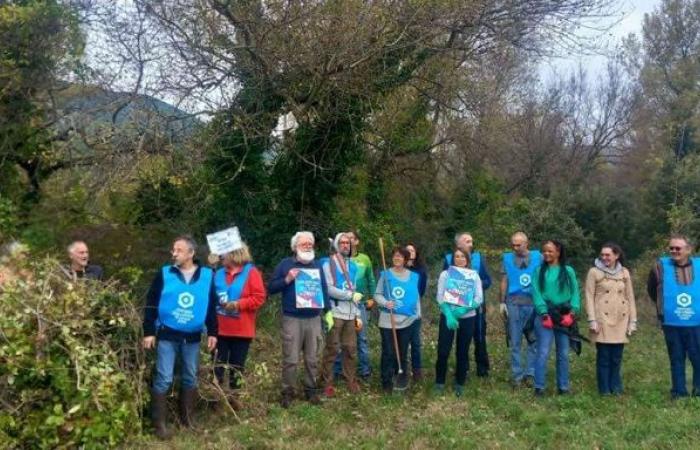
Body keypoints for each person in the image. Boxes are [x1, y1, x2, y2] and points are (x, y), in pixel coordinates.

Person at [142, 236, 218, 440]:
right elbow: (151, 302)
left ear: (191, 253)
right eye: (173, 249)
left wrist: (213, 332)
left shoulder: (207, 275)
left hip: (192, 338)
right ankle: (159, 425)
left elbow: (211, 306)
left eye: (179, 250)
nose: (174, 253)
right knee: (164, 377)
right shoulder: (165, 273)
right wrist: (148, 331)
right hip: (167, 335)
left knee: (190, 376)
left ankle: (188, 421)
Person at [268, 231, 330, 408]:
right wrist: (287, 279)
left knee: (312, 358)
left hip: (314, 318)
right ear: (295, 247)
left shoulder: (317, 266)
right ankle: (288, 392)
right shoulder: (285, 264)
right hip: (292, 318)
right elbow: (271, 287)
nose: (308, 246)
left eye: (310, 244)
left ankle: (311, 390)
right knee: (291, 358)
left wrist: (328, 312)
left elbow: (324, 289)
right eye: (304, 244)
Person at [213, 243, 266, 410]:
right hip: (219, 328)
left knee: (237, 366)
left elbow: (259, 298)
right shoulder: (218, 273)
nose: (221, 256)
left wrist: (239, 304)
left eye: (224, 253)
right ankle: (215, 398)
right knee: (217, 365)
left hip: (242, 329)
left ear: (234, 254)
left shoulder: (251, 273)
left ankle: (234, 398)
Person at [647, 234, 700, 399]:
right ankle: (679, 392)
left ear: (688, 250)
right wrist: (664, 308)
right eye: (671, 248)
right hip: (671, 322)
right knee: (676, 358)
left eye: (678, 248)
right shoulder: (659, 267)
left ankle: (698, 391)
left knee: (697, 358)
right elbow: (652, 290)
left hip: (696, 323)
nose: (674, 251)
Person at [585, 242, 637, 396]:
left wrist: (633, 320)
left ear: (616, 255)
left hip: (621, 319)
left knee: (616, 357)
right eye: (602, 254)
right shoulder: (594, 272)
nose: (604, 257)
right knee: (604, 357)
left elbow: (630, 297)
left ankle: (616, 387)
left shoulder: (625, 273)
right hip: (602, 319)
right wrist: (592, 319)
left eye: (608, 255)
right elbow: (588, 296)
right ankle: (604, 389)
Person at [531, 240, 580, 397]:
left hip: (563, 315)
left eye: (550, 251)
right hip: (545, 315)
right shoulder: (539, 271)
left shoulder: (568, 271)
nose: (547, 254)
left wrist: (572, 314)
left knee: (563, 353)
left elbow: (575, 293)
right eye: (544, 251)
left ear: (558, 252)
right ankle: (539, 387)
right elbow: (536, 293)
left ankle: (563, 387)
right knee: (543, 351)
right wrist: (544, 313)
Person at [319, 233, 363, 396]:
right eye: (342, 242)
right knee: (332, 349)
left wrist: (357, 313)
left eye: (348, 243)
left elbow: (354, 290)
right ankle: (326, 383)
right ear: (337, 245)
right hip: (335, 313)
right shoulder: (328, 263)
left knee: (350, 349)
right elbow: (328, 288)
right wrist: (349, 296)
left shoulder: (354, 267)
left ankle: (350, 380)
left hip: (351, 315)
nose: (346, 245)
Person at [434, 248, 483, 396]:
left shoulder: (473, 276)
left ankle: (460, 383)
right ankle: (439, 382)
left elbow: (478, 298)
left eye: (462, 256)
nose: (459, 259)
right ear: (452, 258)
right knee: (443, 351)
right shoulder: (445, 274)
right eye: (456, 256)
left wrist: (463, 310)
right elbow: (439, 295)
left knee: (462, 351)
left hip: (467, 318)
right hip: (447, 317)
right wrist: (449, 314)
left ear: (467, 259)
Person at [444, 232, 492, 377]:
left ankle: (482, 369)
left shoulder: (478, 258)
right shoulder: (448, 259)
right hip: (454, 307)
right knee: (458, 338)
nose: (471, 244)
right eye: (467, 241)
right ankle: (462, 369)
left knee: (479, 336)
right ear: (458, 245)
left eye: (472, 241)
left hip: (474, 306)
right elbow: (445, 281)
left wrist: (472, 284)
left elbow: (488, 281)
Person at [374, 246, 420, 393]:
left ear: (406, 259)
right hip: (388, 320)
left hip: (407, 321)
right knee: (388, 352)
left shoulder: (413, 276)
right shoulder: (386, 275)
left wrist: (418, 314)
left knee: (402, 352)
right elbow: (377, 294)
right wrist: (385, 303)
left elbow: (416, 297)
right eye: (395, 256)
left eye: (400, 256)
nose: (397, 258)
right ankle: (386, 382)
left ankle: (400, 379)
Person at [499, 232, 541, 387]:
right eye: (513, 245)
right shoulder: (507, 258)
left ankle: (530, 373)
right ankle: (517, 376)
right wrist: (501, 302)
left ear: (527, 243)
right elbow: (504, 280)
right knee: (515, 341)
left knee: (533, 340)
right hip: (514, 303)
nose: (515, 248)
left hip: (534, 304)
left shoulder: (539, 257)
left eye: (519, 244)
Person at [333, 229, 376, 381]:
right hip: (341, 305)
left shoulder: (364, 259)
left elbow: (370, 279)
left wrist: (372, 297)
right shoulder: (337, 260)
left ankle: (364, 370)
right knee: (339, 338)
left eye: (352, 239)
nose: (349, 242)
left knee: (361, 338)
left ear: (357, 242)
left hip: (361, 305)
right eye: (346, 240)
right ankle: (337, 371)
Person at [406, 242, 428, 381]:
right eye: (407, 251)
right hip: (398, 308)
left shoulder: (421, 270)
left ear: (416, 253)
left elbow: (422, 290)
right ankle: (401, 369)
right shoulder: (397, 269)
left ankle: (417, 371)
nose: (409, 253)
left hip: (414, 307)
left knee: (415, 341)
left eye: (412, 250)